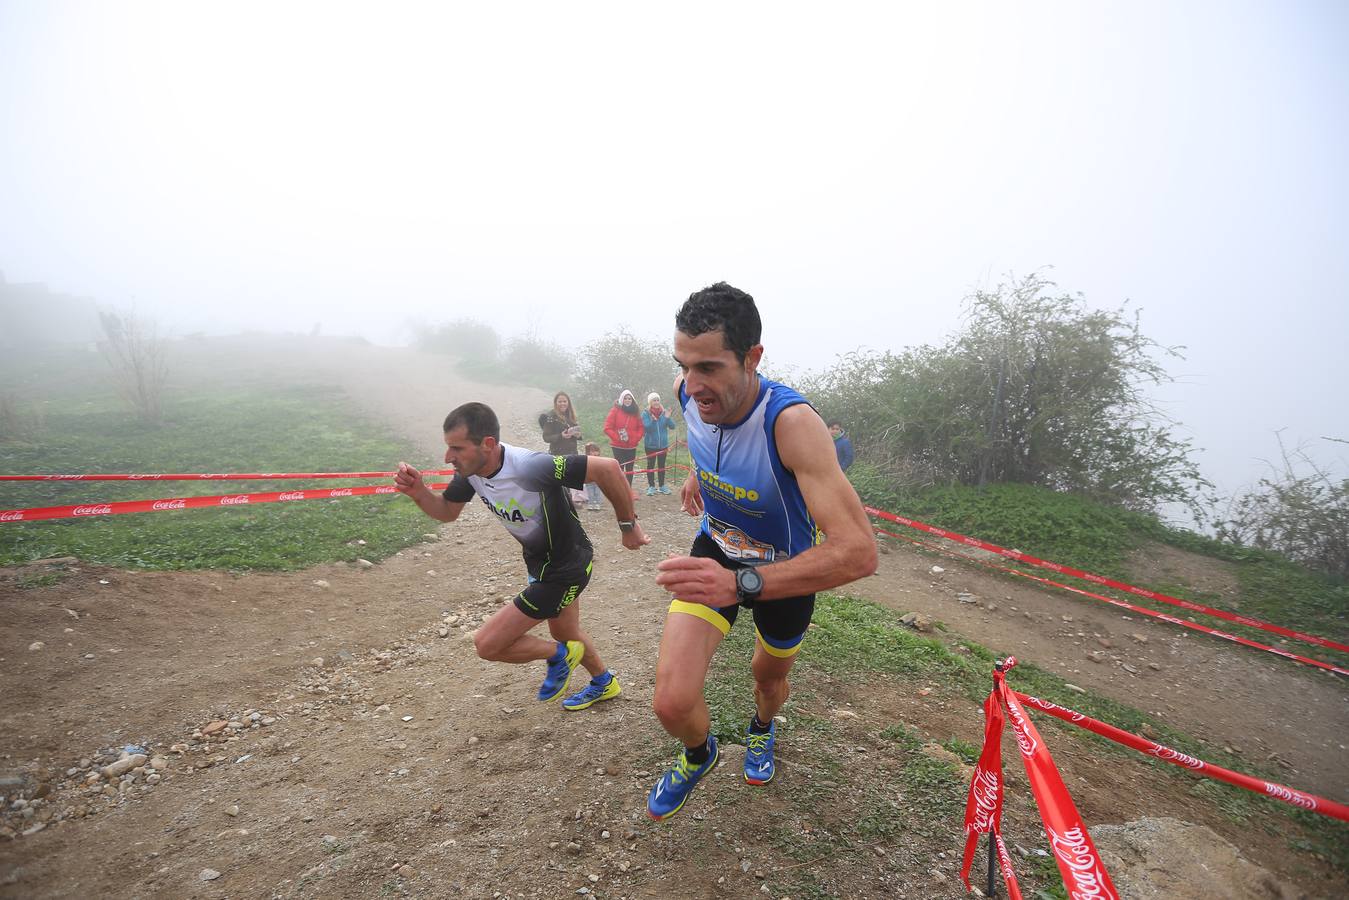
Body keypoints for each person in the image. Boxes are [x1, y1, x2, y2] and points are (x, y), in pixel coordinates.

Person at [646, 283, 877, 820]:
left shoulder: (792, 424)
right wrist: (699, 478)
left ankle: (761, 728)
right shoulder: (687, 394)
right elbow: (707, 440)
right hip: (715, 551)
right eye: (683, 365)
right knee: (671, 702)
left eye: (709, 367)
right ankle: (699, 755)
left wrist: (742, 583)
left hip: (785, 572)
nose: (693, 384)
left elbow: (860, 553)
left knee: (767, 678)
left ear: (752, 358)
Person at [394, 402, 649, 713]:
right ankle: (603, 682)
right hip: (541, 564)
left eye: (456, 448)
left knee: (487, 644)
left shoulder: (530, 466)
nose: (449, 458)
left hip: (565, 569)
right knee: (566, 631)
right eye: (449, 448)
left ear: (487, 444)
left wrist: (628, 526)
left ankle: (558, 655)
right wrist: (419, 492)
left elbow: (607, 468)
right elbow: (447, 511)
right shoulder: (472, 471)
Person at [603, 389, 644, 495]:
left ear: (632, 400)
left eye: (629, 398)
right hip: (618, 446)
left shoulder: (636, 411)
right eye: (625, 398)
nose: (627, 400)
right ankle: (618, 490)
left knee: (630, 469)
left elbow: (640, 428)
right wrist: (617, 438)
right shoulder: (615, 410)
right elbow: (607, 427)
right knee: (619, 469)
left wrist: (635, 439)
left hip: (631, 446)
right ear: (622, 399)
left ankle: (628, 490)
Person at [641, 392, 676, 496]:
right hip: (650, 445)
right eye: (654, 400)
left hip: (663, 445)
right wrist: (652, 420)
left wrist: (668, 417)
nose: (656, 402)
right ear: (650, 402)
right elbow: (647, 428)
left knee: (661, 466)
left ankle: (662, 486)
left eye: (657, 400)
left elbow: (672, 426)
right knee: (650, 465)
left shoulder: (664, 412)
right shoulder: (646, 413)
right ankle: (651, 486)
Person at [539, 391, 582, 456]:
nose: (562, 404)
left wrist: (578, 435)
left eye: (565, 401)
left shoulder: (571, 416)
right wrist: (561, 436)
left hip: (573, 454)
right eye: (560, 402)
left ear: (568, 403)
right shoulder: (550, 417)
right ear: (555, 403)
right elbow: (546, 437)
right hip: (557, 455)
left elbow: (578, 434)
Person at [582, 442, 605, 511]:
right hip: (589, 480)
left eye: (596, 451)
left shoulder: (601, 460)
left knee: (597, 492)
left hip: (598, 480)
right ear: (588, 452)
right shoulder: (586, 459)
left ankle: (597, 504)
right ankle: (591, 503)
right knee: (590, 492)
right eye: (592, 451)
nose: (595, 453)